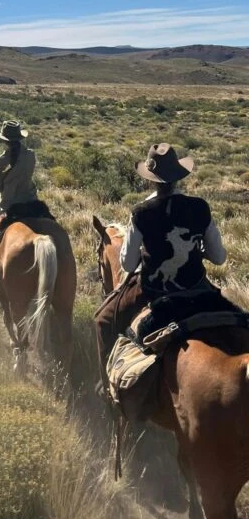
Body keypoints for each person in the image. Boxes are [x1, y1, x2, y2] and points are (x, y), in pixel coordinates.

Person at [95, 142, 232, 387]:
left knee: (103, 321)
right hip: (197, 287)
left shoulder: (141, 212)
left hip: (154, 290)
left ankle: (107, 386)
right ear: (178, 177)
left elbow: (126, 263)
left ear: (151, 180)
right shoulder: (200, 207)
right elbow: (219, 258)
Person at [0, 120, 37, 277]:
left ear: (4, 140)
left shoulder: (1, 160)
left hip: (9, 204)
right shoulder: (31, 155)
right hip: (31, 201)